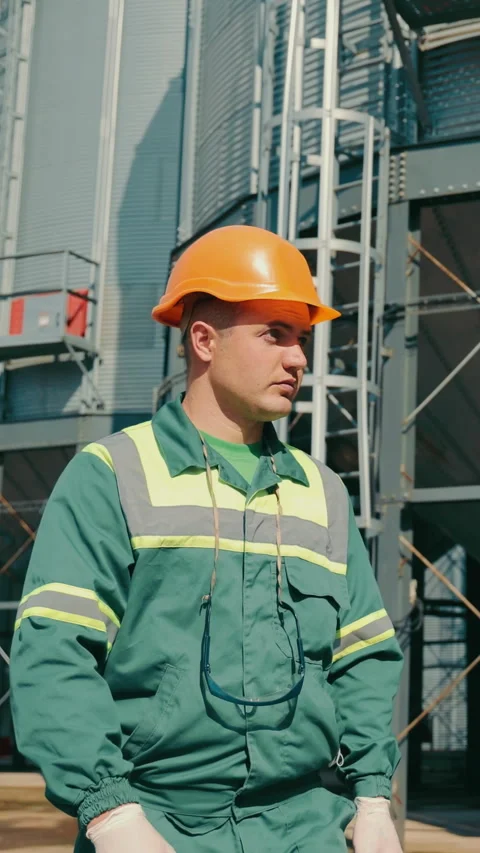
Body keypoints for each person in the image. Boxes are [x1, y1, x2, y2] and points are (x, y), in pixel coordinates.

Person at [10, 225, 404, 853]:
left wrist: (374, 795)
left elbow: (364, 657)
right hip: (156, 822)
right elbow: (55, 653)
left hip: (305, 826)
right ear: (203, 340)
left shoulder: (322, 492)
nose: (299, 359)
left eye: (302, 339)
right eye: (275, 334)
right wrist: (110, 814)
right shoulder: (113, 475)